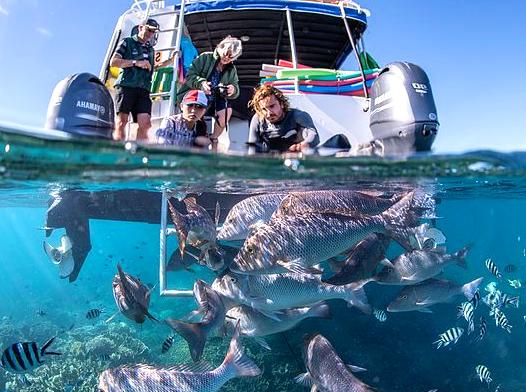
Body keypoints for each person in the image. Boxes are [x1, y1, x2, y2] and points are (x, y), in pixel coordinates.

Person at [177, 36, 242, 148]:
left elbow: (236, 89)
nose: (226, 58)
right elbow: (190, 76)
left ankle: (213, 139)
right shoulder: (205, 57)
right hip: (196, 96)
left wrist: (233, 90)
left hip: (216, 99)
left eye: (231, 56)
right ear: (220, 47)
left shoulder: (232, 69)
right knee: (198, 126)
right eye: (226, 53)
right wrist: (202, 84)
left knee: (227, 111)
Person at [110, 18, 161, 141]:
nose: (150, 34)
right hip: (126, 85)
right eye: (149, 30)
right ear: (140, 27)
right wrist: (135, 62)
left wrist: (170, 61)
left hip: (143, 89)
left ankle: (137, 153)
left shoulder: (151, 50)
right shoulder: (126, 42)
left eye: (153, 32)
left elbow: (150, 67)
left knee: (146, 124)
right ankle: (118, 151)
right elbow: (114, 62)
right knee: (122, 122)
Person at [247, 85, 320, 153]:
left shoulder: (298, 116)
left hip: (297, 159)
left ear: (281, 104)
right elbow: (252, 149)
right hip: (270, 161)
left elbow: (314, 136)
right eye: (264, 109)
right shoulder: (258, 120)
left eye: (272, 106)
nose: (269, 113)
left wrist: (302, 145)